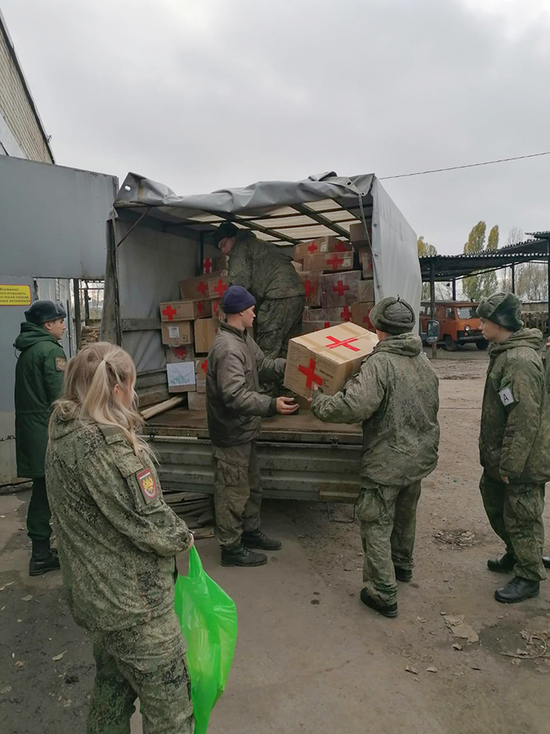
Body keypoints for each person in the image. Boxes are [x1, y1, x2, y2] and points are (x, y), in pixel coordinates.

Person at [45, 343, 194, 733]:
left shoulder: (63, 429)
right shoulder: (105, 447)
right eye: (130, 383)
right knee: (172, 713)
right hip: (135, 608)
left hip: (97, 599)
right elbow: (150, 524)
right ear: (116, 389)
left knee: (112, 692)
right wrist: (184, 537)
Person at [310, 296, 440, 618]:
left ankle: (383, 592)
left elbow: (354, 406)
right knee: (405, 515)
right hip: (419, 457)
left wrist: (319, 402)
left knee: (375, 522)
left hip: (388, 461)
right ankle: (403, 566)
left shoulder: (380, 364)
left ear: (378, 329)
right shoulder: (423, 361)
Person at [206, 285, 298, 566]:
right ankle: (231, 548)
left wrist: (293, 363)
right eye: (252, 309)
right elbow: (233, 396)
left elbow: (263, 364)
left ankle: (250, 533)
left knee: (252, 487)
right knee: (232, 492)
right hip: (231, 433)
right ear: (240, 312)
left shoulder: (243, 338)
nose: (255, 314)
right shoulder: (227, 348)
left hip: (246, 430)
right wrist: (272, 405)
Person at [477, 292, 550, 603]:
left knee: (521, 513)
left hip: (520, 461)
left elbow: (524, 419)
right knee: (496, 502)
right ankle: (518, 552)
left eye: (484, 321)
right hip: (503, 458)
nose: (479, 326)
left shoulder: (519, 361)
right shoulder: (505, 353)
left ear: (500, 323)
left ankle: (529, 575)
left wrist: (510, 465)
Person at [14, 299, 67, 576]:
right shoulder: (48, 351)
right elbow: (61, 398)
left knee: (41, 492)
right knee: (47, 495)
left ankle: (41, 551)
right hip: (46, 434)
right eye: (60, 322)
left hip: (32, 433)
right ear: (48, 325)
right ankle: (41, 556)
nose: (63, 327)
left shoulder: (27, 350)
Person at [214, 221, 306, 358]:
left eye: (223, 244)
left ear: (232, 238)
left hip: (277, 296)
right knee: (288, 347)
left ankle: (265, 380)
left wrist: (223, 306)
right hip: (297, 294)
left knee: (266, 350)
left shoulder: (240, 248)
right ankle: (286, 379)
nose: (223, 250)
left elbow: (239, 284)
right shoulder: (259, 244)